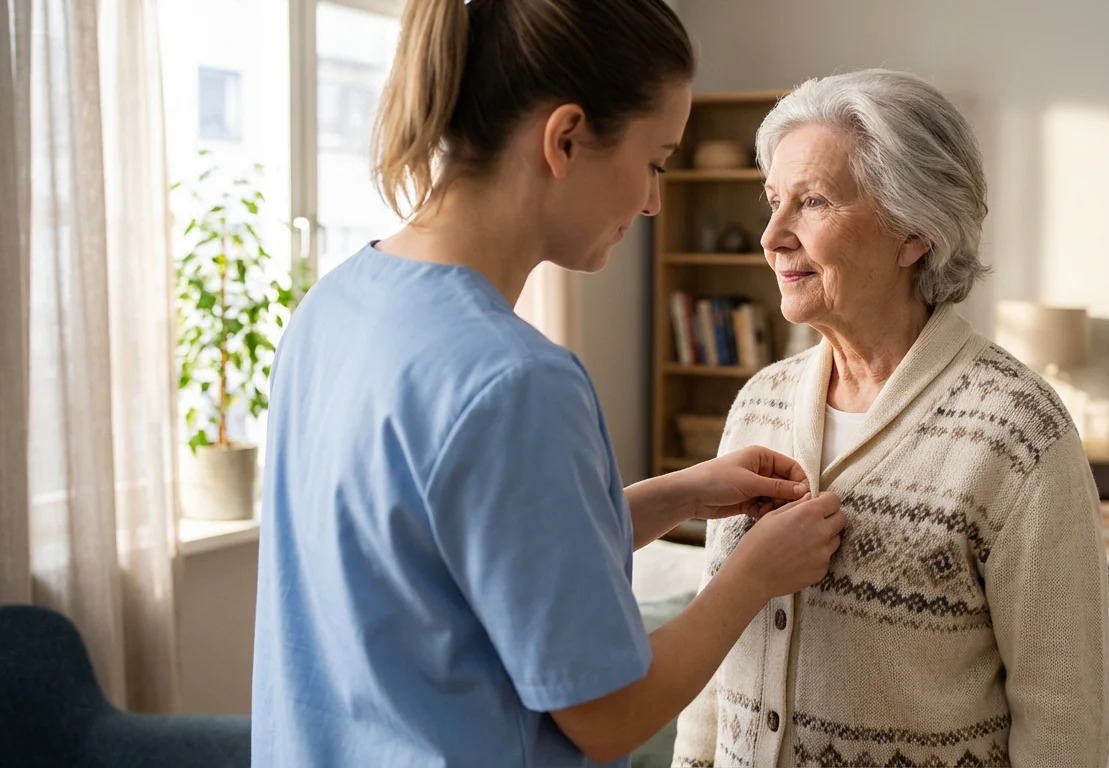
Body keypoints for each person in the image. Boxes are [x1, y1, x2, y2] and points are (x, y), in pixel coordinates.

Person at [250, 1, 845, 766]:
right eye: (657, 162)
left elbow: (464, 554)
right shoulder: (514, 382)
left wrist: (681, 494)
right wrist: (753, 574)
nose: (654, 201)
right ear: (564, 139)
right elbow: (608, 715)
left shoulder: (334, 307)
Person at [671, 69, 1109, 768]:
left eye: (811, 202)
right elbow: (713, 685)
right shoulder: (758, 404)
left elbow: (1063, 724)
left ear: (914, 231)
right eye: (772, 201)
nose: (773, 235)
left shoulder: (1020, 434)